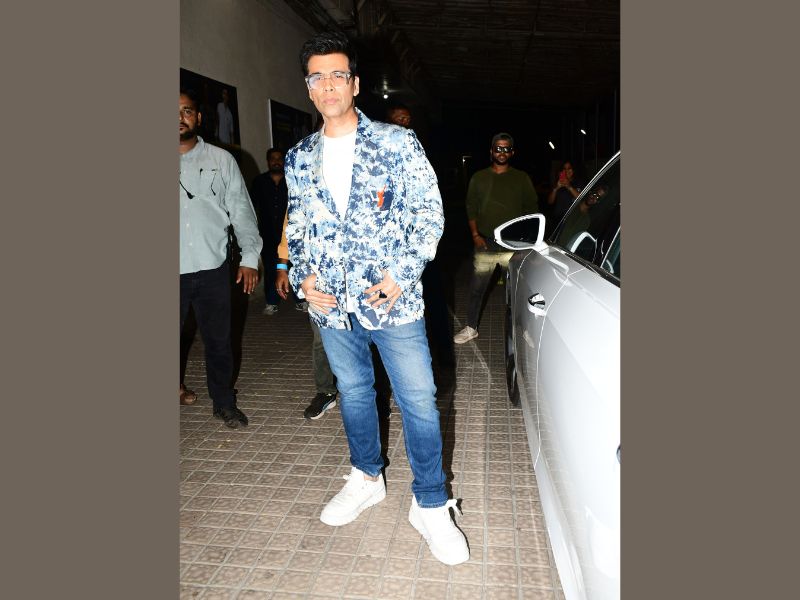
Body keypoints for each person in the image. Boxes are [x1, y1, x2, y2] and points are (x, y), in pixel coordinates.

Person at [285, 30, 469, 565]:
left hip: (392, 300)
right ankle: (367, 477)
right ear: (309, 88)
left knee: (419, 399)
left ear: (355, 84)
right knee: (354, 391)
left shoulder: (396, 143)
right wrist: (302, 277)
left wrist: (402, 274)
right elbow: (296, 223)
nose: (328, 85)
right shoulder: (298, 156)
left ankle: (430, 503)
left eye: (337, 75)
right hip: (330, 304)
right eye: (317, 77)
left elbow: (429, 215)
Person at [179, 87, 262, 428]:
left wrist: (250, 257)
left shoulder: (221, 160)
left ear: (198, 117)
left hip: (213, 266)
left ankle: (224, 402)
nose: (179, 118)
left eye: (186, 110)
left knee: (219, 341)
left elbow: (241, 210)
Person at [453, 133, 539, 344]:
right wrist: (475, 235)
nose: (502, 152)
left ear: (512, 152)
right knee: (477, 288)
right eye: (498, 148)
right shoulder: (479, 177)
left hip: (513, 244)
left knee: (518, 289)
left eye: (506, 148)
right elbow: (471, 207)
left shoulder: (521, 178)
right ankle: (471, 327)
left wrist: (526, 240)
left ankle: (525, 330)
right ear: (491, 151)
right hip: (486, 242)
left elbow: (532, 210)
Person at [275, 211, 339, 420]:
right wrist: (282, 266)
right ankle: (326, 391)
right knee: (321, 338)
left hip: (361, 273)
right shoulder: (302, 189)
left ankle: (375, 395)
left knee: (367, 335)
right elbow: (291, 225)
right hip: (319, 274)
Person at [250, 148, 307, 315]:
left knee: (295, 266)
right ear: (268, 161)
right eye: (272, 159)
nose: (276, 161)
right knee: (270, 269)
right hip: (267, 234)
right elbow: (252, 206)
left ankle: (300, 300)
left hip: (291, 234)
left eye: (279, 158)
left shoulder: (291, 180)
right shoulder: (259, 182)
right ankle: (272, 302)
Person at [546, 159, 584, 234]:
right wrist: (555, 188)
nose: (567, 171)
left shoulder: (579, 183)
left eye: (569, 168)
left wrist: (569, 187)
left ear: (573, 170)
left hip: (573, 220)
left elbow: (582, 199)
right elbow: (550, 202)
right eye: (564, 169)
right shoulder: (558, 182)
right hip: (558, 220)